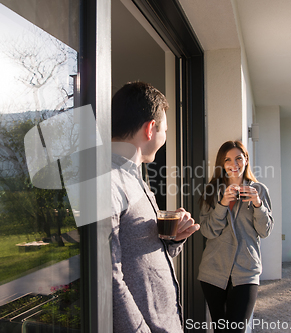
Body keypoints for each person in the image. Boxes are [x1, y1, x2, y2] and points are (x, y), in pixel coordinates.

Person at [111, 81, 200, 332]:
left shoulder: (135, 178)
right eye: (166, 131)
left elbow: (137, 252)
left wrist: (171, 240)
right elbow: (107, 277)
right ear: (151, 129)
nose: (165, 138)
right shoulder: (108, 180)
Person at [198, 140, 274, 332]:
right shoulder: (211, 190)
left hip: (246, 271)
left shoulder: (260, 190)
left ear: (246, 160)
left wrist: (258, 205)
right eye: (228, 160)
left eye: (238, 158)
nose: (234, 164)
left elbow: (264, 231)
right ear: (222, 165)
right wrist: (222, 204)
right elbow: (207, 231)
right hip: (213, 271)